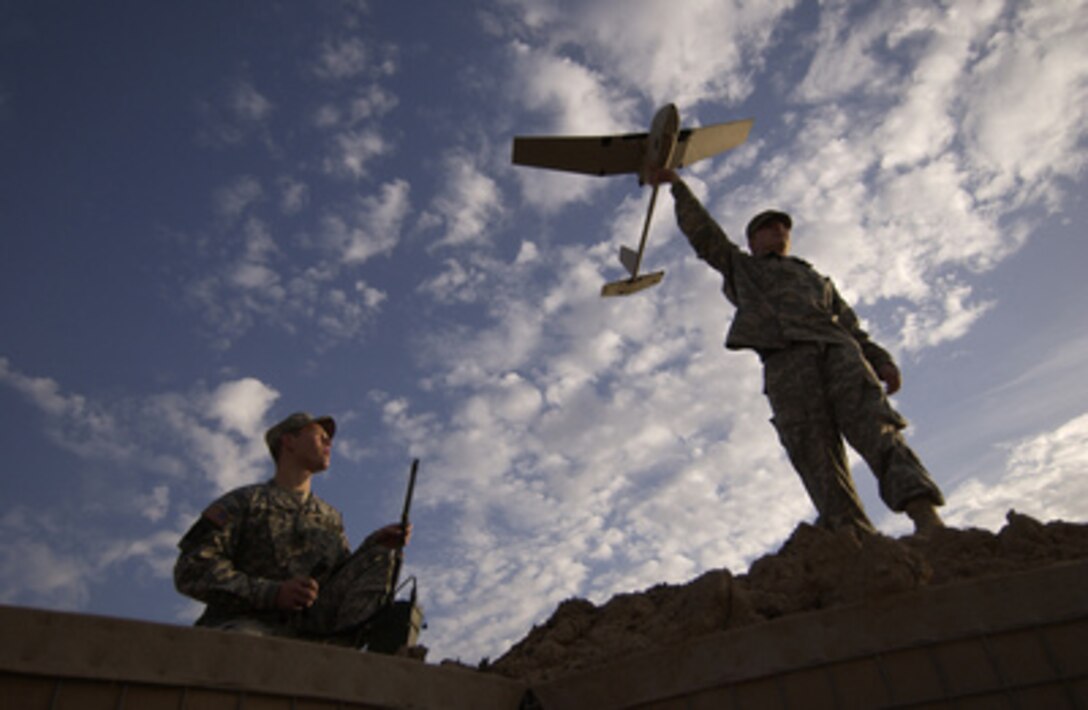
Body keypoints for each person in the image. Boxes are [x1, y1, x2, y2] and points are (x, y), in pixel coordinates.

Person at [648, 168, 945, 536]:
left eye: (783, 228)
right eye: (768, 227)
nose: (779, 232)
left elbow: (851, 326)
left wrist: (881, 360)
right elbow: (704, 235)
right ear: (753, 240)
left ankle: (925, 515)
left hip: (839, 352)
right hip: (786, 361)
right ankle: (855, 538)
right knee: (814, 451)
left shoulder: (817, 279)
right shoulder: (743, 268)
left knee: (875, 426)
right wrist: (678, 187)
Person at [174, 411, 411, 644]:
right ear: (289, 441)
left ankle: (347, 648)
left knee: (381, 557)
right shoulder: (245, 502)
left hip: (314, 632)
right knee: (245, 646)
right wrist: (272, 593)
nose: (329, 441)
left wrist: (374, 546)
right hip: (244, 627)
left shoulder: (330, 518)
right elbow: (192, 568)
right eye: (319, 434)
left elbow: (337, 581)